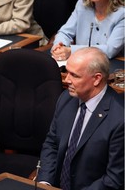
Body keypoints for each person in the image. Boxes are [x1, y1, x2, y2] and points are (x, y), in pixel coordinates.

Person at [38, 47, 124, 189]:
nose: (67, 80)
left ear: (96, 79)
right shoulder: (66, 98)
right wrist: (45, 182)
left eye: (75, 75)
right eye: (67, 72)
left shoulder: (120, 119)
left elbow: (114, 179)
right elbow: (52, 143)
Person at [51, 0, 124, 61]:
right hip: (81, 63)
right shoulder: (82, 3)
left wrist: (71, 51)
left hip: (111, 66)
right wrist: (59, 47)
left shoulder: (122, 14)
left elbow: (110, 50)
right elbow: (65, 32)